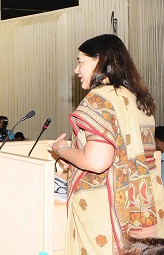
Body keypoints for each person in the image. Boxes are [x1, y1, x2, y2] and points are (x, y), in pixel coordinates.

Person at [49, 34, 163, 254]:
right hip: (142, 207)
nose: (77, 69)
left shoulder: (99, 99)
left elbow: (98, 161)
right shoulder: (138, 100)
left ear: (99, 61)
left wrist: (61, 149)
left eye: (81, 61)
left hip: (106, 212)